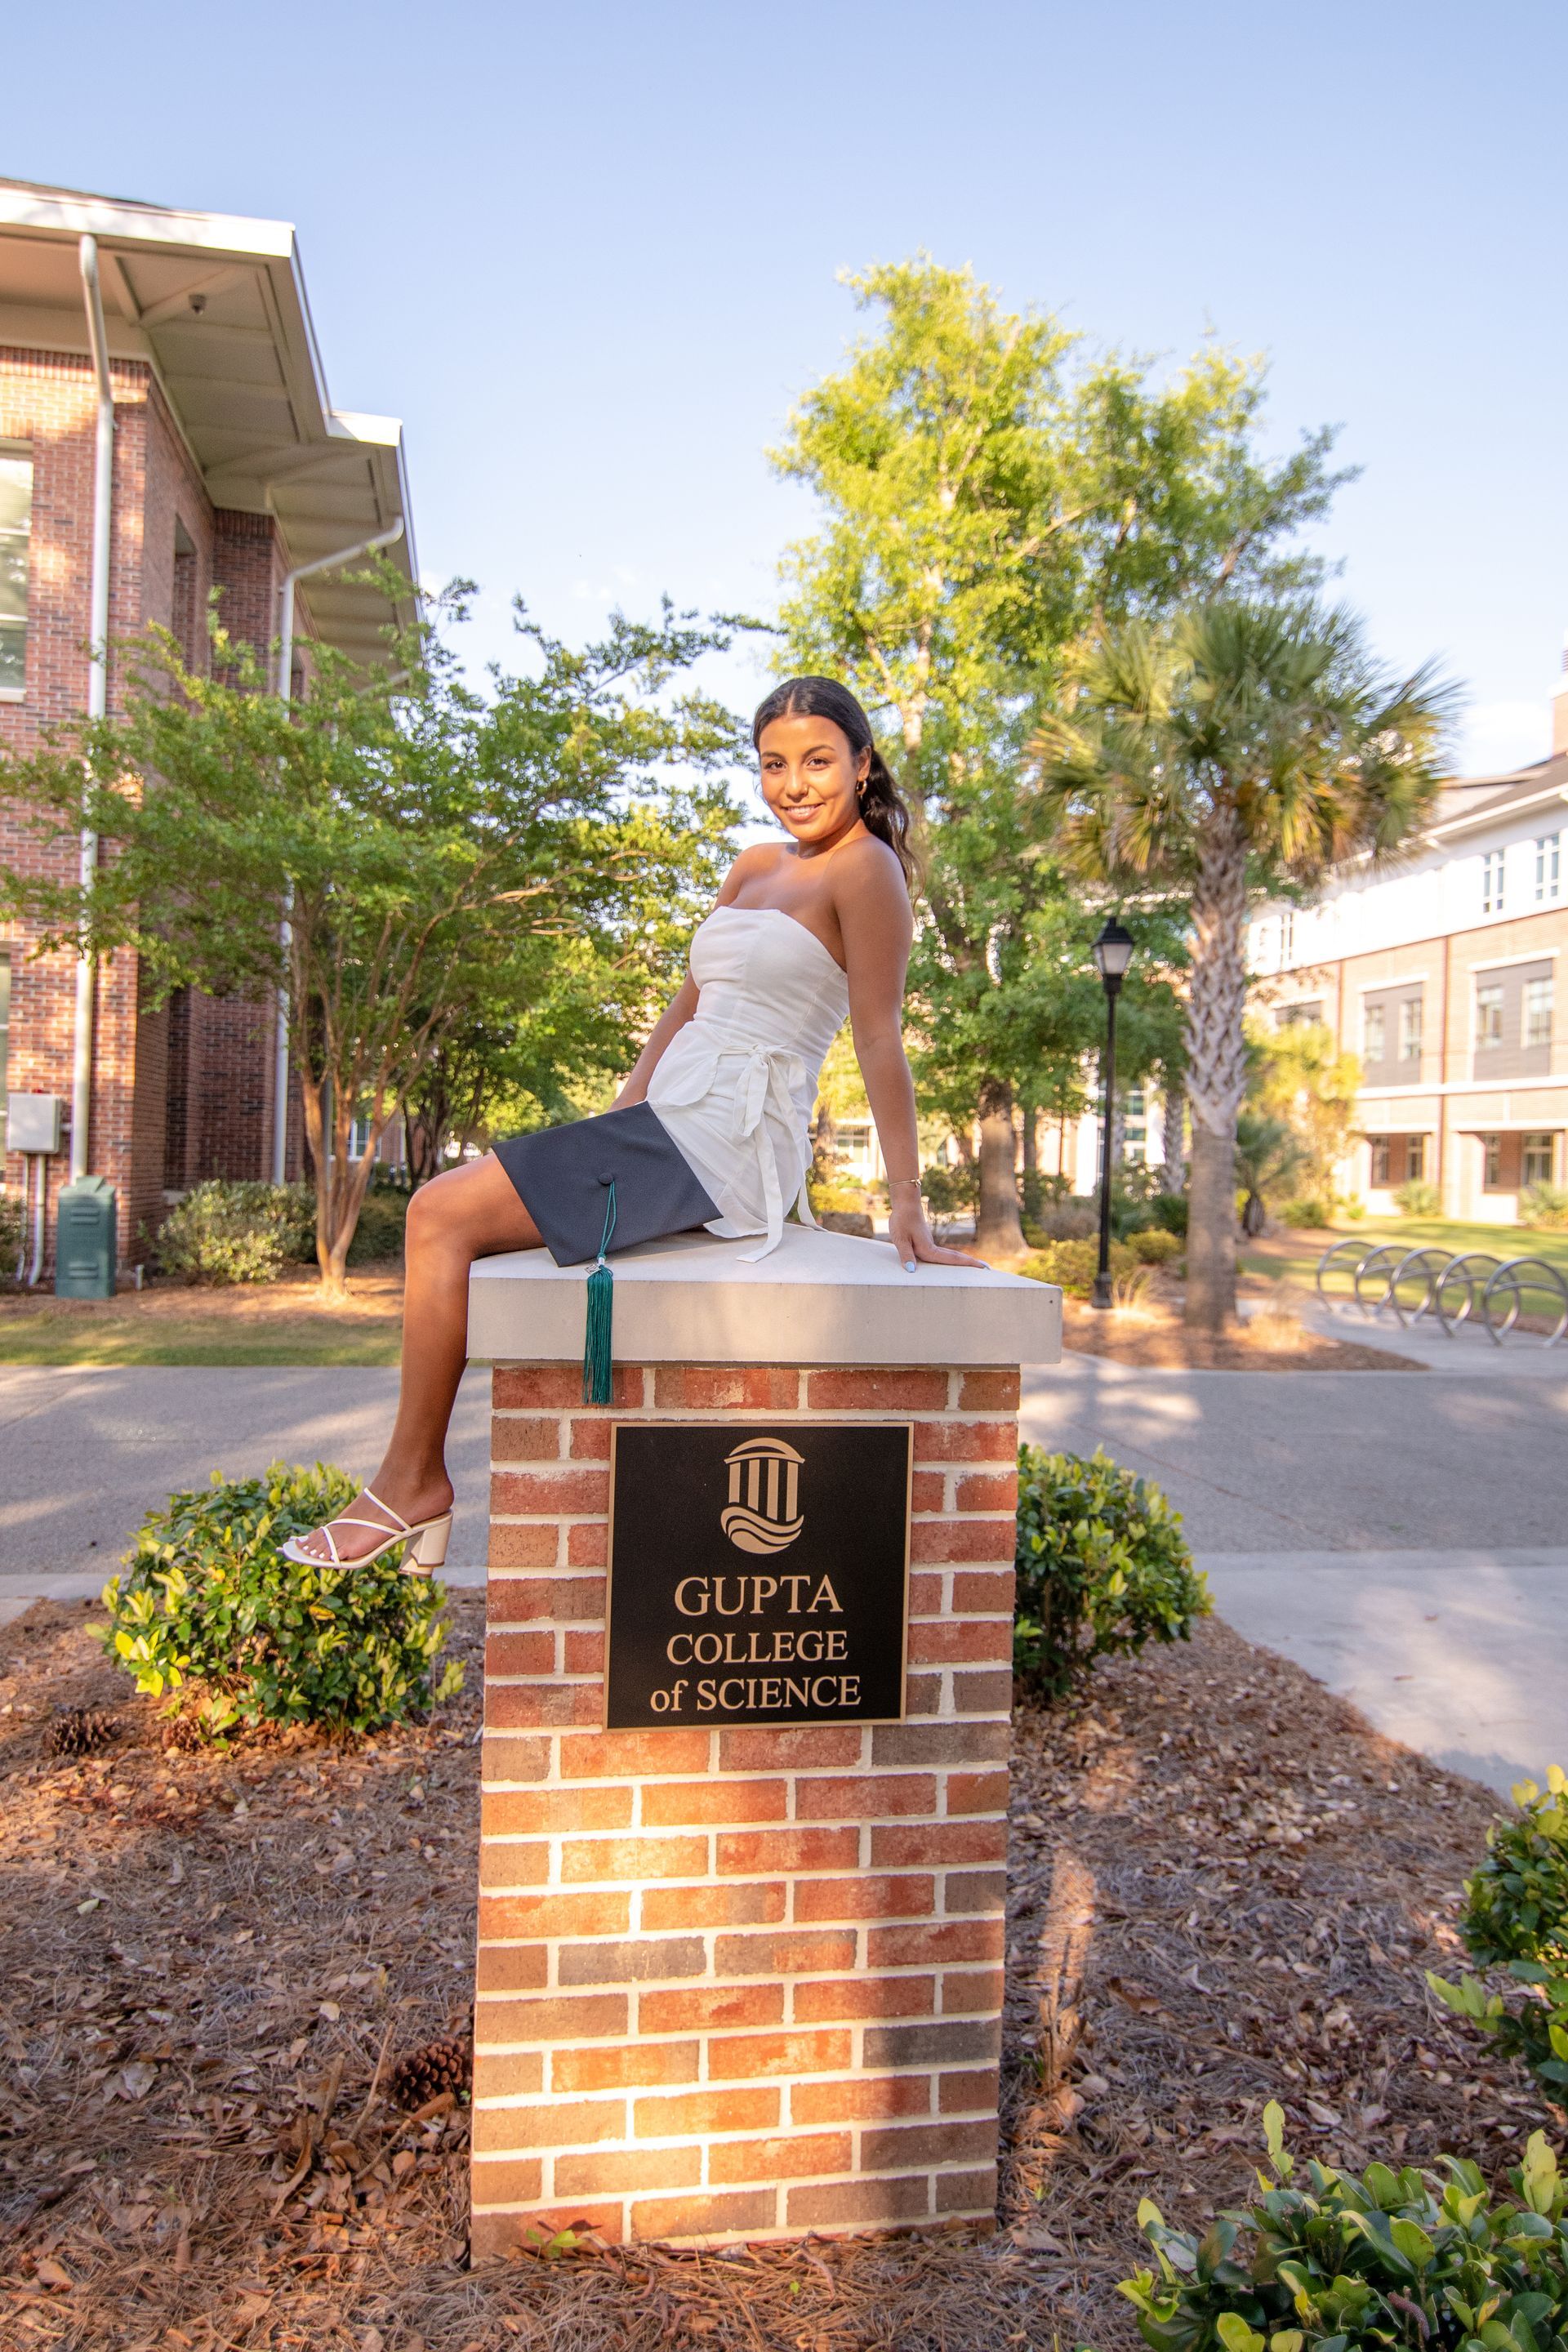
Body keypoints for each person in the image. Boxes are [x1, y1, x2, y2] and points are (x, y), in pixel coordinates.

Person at [283, 675, 978, 1572]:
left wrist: (907, 1201)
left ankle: (410, 1486)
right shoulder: (756, 866)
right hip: (668, 1118)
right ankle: (410, 1482)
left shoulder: (868, 870)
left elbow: (881, 1039)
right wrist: (615, 1114)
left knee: (436, 1214)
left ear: (861, 762)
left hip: (727, 1136)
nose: (795, 783)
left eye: (817, 761)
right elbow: (683, 1007)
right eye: (774, 764)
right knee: (447, 1215)